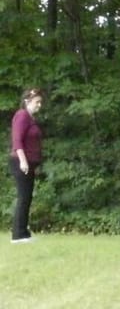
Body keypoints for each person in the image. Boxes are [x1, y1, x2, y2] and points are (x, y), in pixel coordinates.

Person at [8, 88, 44, 244]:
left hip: (29, 163)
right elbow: (17, 140)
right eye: (37, 102)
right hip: (21, 162)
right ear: (27, 101)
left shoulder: (30, 118)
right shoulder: (22, 115)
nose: (39, 105)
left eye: (40, 102)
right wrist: (23, 161)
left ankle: (23, 232)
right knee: (23, 197)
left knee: (27, 197)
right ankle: (18, 235)